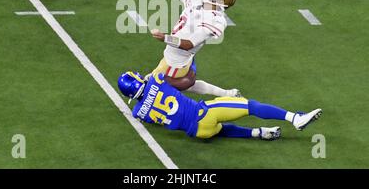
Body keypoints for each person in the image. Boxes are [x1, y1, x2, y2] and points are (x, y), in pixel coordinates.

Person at [118, 71, 322, 140]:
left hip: (197, 132)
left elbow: (151, 108)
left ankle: (259, 133)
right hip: (204, 114)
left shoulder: (138, 113)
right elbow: (186, 81)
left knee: (221, 129)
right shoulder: (156, 80)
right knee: (251, 106)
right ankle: (295, 118)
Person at [143, 0, 239, 97]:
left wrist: (165, 38)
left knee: (146, 87)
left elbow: (188, 44)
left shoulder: (215, 21)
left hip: (176, 63)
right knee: (190, 86)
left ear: (220, 1)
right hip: (177, 57)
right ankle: (228, 94)